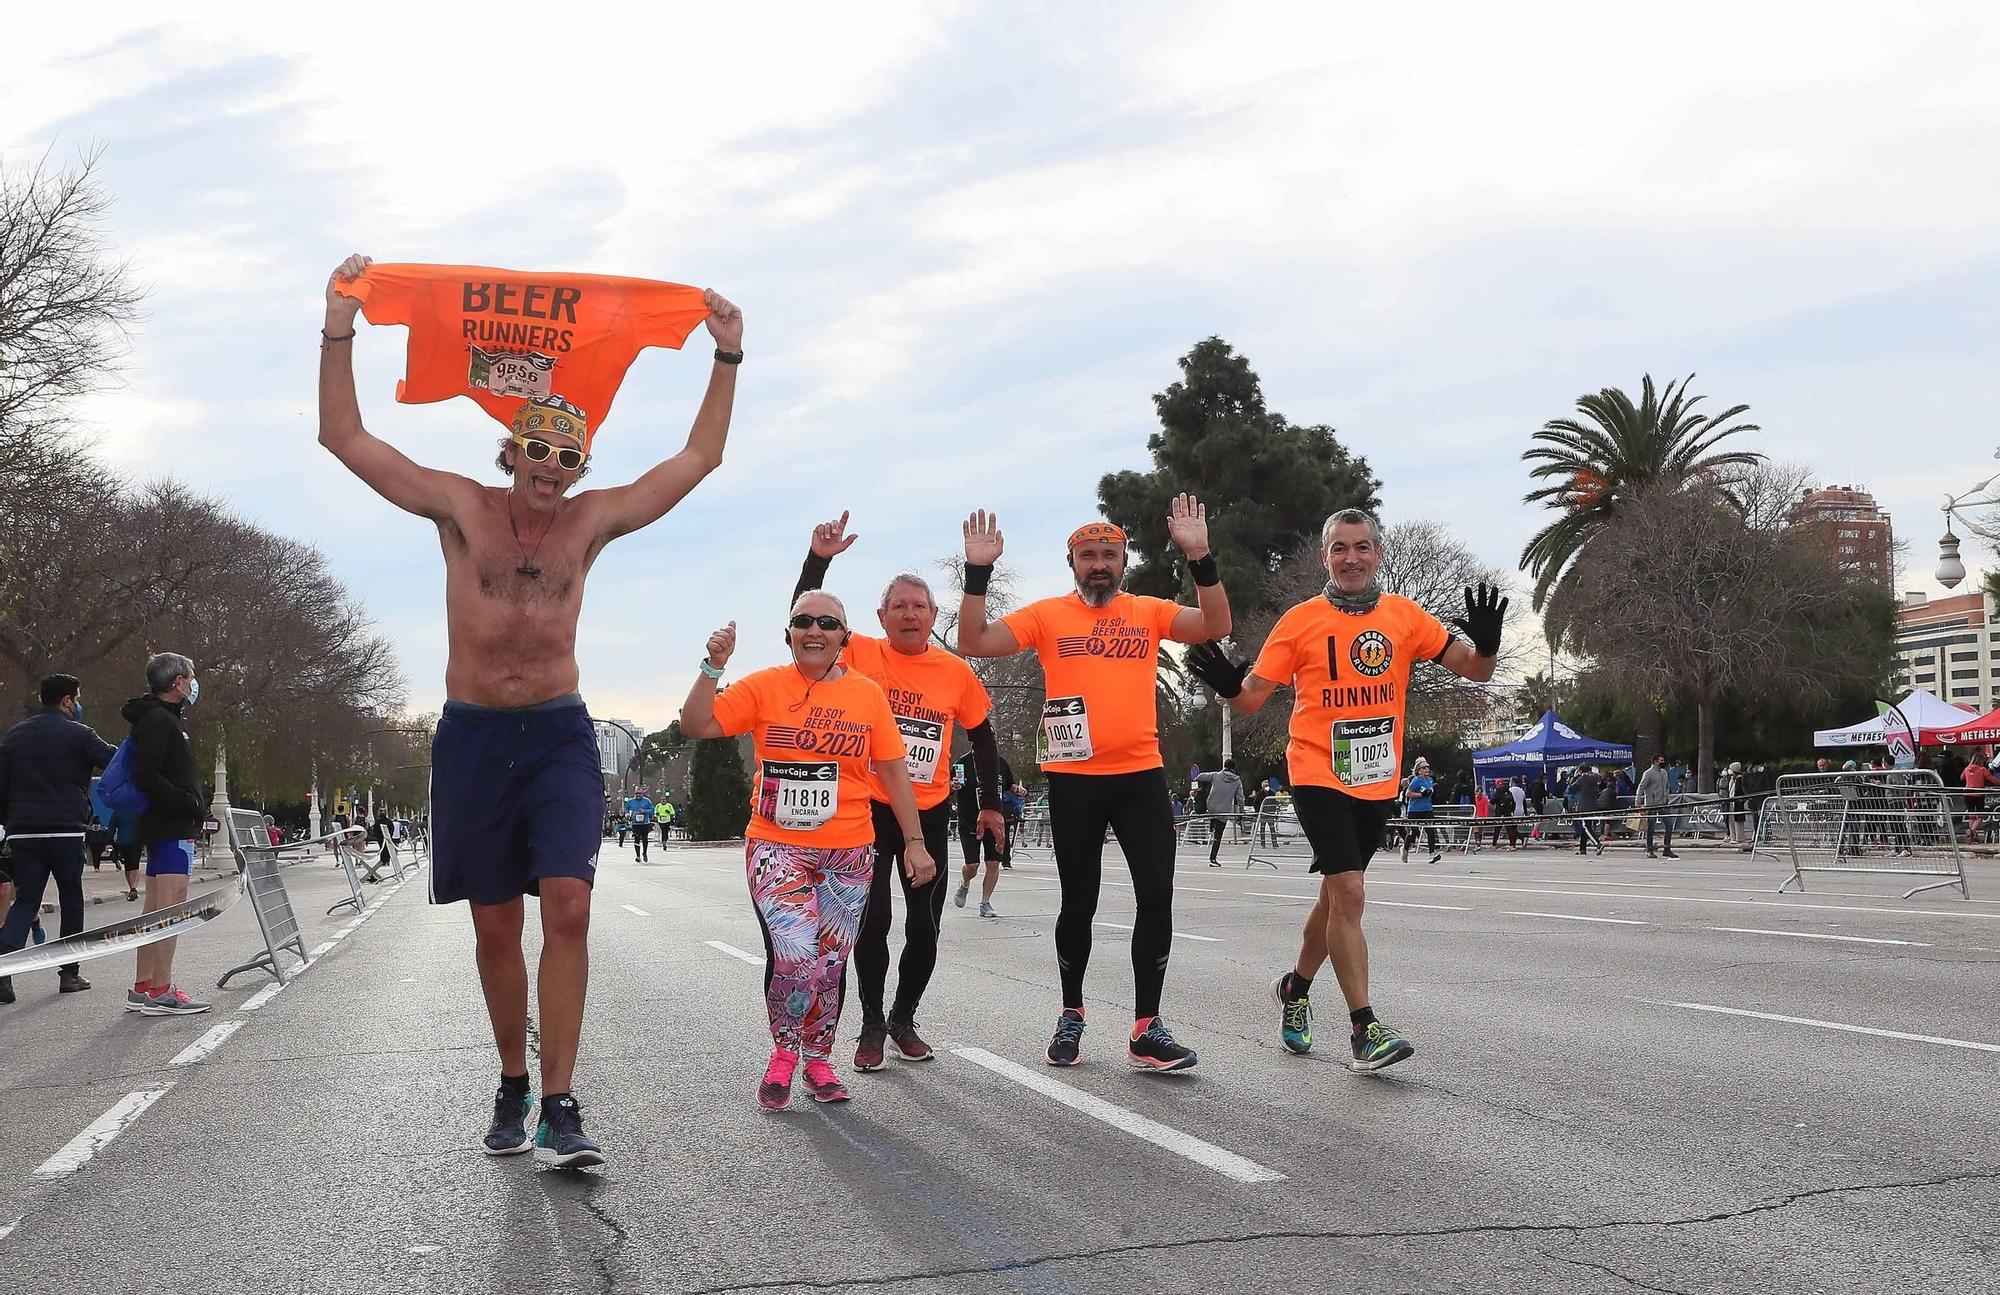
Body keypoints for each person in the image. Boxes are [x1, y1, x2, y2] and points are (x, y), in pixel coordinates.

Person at [319, 253, 744, 1168]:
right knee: (493, 924)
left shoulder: (591, 521)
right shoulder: (459, 507)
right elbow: (345, 438)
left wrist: (726, 358)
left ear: (580, 463)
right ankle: (512, 1076)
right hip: (473, 735)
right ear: (511, 452)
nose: (551, 467)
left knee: (570, 906)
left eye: (567, 454)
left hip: (557, 731)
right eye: (537, 450)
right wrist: (340, 324)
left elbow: (698, 458)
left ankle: (559, 1099)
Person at [1187, 508, 1504, 1069]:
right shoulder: (1300, 621)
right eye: (1340, 548)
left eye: (1361, 547)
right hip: (1316, 772)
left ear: (1378, 554)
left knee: (1336, 896)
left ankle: (1296, 987)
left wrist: (1487, 645)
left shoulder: (1405, 617)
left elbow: (1473, 670)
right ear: (1324, 558)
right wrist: (1227, 687)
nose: (1351, 558)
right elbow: (1252, 698)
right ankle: (1364, 1029)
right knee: (1351, 894)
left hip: (1378, 778)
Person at [957, 498, 1230, 1071]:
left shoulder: (1148, 611)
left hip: (1140, 778)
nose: (1099, 564)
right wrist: (978, 572)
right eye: (1088, 556)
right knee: (1077, 901)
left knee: (1157, 896)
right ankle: (1072, 1013)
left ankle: (1146, 1027)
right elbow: (974, 641)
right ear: (1071, 562)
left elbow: (1216, 624)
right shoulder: (1047, 615)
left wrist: (1200, 555)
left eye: (1109, 554)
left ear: (1124, 560)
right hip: (1075, 779)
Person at [679, 595, 936, 1108]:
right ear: (789, 633)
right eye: (802, 621)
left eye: (827, 623)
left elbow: (892, 771)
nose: (813, 630)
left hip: (849, 852)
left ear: (845, 636)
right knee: (798, 957)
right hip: (777, 846)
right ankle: (783, 1056)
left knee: (832, 964)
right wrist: (713, 667)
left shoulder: (867, 695)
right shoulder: (764, 686)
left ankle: (819, 1061)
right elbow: (696, 725)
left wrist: (914, 842)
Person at [790, 513, 1006, 1070]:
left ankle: (904, 1018)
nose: (911, 614)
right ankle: (869, 1023)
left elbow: (983, 739)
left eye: (920, 607)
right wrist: (819, 561)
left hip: (928, 813)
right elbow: (802, 623)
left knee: (923, 924)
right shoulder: (859, 653)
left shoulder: (957, 671)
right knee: (874, 922)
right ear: (881, 618)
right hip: (869, 809)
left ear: (934, 617)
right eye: (900, 607)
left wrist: (990, 805)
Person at [0, 674, 119, 1004]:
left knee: (25, 901)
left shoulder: (15, 735)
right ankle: (69, 973)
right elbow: (113, 759)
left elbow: (2, 784)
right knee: (71, 898)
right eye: (76, 699)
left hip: (23, 829)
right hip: (65, 827)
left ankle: (3, 971)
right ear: (67, 701)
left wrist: (8, 822)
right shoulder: (79, 734)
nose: (77, 705)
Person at [120, 654, 213, 1015]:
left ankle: (144, 985)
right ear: (177, 682)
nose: (193, 683)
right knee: (170, 911)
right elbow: (149, 775)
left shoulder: (157, 718)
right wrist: (189, 803)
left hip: (163, 826)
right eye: (190, 677)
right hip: (171, 826)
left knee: (154, 911)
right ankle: (161, 990)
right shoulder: (161, 721)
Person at [954, 753, 1013, 918]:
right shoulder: (962, 763)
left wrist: (1017, 789)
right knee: (972, 865)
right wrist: (953, 786)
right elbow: (952, 785)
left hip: (994, 821)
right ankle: (965, 883)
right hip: (969, 820)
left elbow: (1009, 784)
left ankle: (985, 903)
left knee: (993, 863)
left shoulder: (1000, 762)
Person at [1203, 758, 1246, 868]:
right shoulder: (1237, 781)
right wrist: (1241, 812)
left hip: (1211, 807)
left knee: (1213, 813)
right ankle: (1213, 858)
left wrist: (1195, 776)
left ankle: (1211, 827)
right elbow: (1240, 798)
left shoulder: (1216, 775)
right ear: (1234, 768)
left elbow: (1202, 776)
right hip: (1224, 810)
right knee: (1219, 835)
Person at [1401, 758, 1440, 863]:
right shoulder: (1416, 780)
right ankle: (1405, 848)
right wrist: (1421, 794)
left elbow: (1429, 793)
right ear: (1419, 770)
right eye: (1424, 767)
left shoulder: (1430, 780)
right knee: (1414, 832)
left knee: (1430, 830)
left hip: (1427, 808)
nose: (1426, 769)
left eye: (1427, 767)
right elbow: (1408, 794)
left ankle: (1432, 853)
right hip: (1415, 810)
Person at [1637, 755, 1676, 858]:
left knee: (1669, 825)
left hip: (1663, 803)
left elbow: (1667, 786)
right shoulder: (1648, 773)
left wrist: (1667, 797)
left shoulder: (1664, 772)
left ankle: (1667, 848)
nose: (1663, 762)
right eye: (1661, 761)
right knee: (1651, 827)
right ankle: (1649, 848)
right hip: (1651, 804)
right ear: (1655, 761)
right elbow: (1641, 787)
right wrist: (1638, 802)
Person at [624, 790, 655, 861]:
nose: (638, 795)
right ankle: (638, 856)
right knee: (636, 839)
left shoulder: (647, 801)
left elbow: (652, 810)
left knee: (645, 839)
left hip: (645, 823)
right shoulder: (631, 801)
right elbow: (626, 808)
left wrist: (644, 811)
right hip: (635, 823)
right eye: (636, 793)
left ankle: (644, 853)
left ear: (642, 794)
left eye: (639, 793)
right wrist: (627, 814)